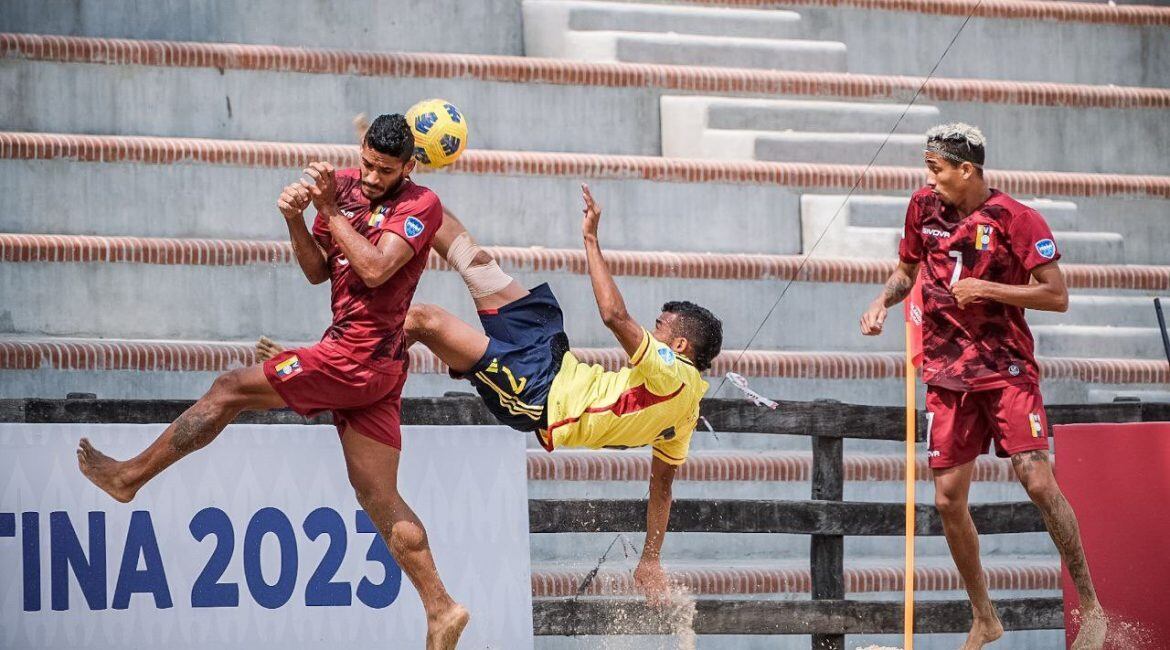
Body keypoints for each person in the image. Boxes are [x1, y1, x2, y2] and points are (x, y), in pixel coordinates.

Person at [76, 114, 469, 649]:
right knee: (377, 494)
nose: (373, 177)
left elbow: (376, 269)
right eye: (368, 165)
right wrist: (295, 220)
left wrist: (329, 210)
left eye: (385, 170)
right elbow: (318, 270)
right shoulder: (343, 187)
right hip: (373, 369)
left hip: (354, 357)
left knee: (229, 388)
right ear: (361, 151)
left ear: (409, 166)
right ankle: (441, 608)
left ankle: (129, 477)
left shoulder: (421, 204)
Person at [259, 184, 723, 602]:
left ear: (681, 345)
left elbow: (614, 316)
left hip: (538, 396)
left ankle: (320, 365)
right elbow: (662, 485)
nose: (653, 330)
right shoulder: (684, 413)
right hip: (553, 357)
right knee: (468, 253)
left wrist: (590, 240)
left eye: (661, 327)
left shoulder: (674, 373)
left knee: (423, 320)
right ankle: (401, 186)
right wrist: (651, 558)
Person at [859, 123, 1105, 649]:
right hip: (946, 374)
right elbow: (906, 270)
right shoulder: (922, 206)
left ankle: (1090, 604)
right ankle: (985, 617)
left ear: (966, 170)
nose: (929, 179)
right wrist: (882, 301)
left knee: (1037, 480)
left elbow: (1057, 296)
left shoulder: (1017, 217)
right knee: (948, 500)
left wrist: (988, 289)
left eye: (936, 169)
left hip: (1006, 366)